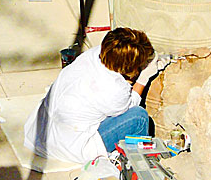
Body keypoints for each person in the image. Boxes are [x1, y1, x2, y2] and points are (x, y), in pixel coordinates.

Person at [23, 27, 170, 164]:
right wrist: (144, 77)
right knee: (139, 117)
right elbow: (131, 104)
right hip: (71, 145)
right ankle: (138, 164)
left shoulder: (93, 54)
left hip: (40, 130)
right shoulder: (113, 89)